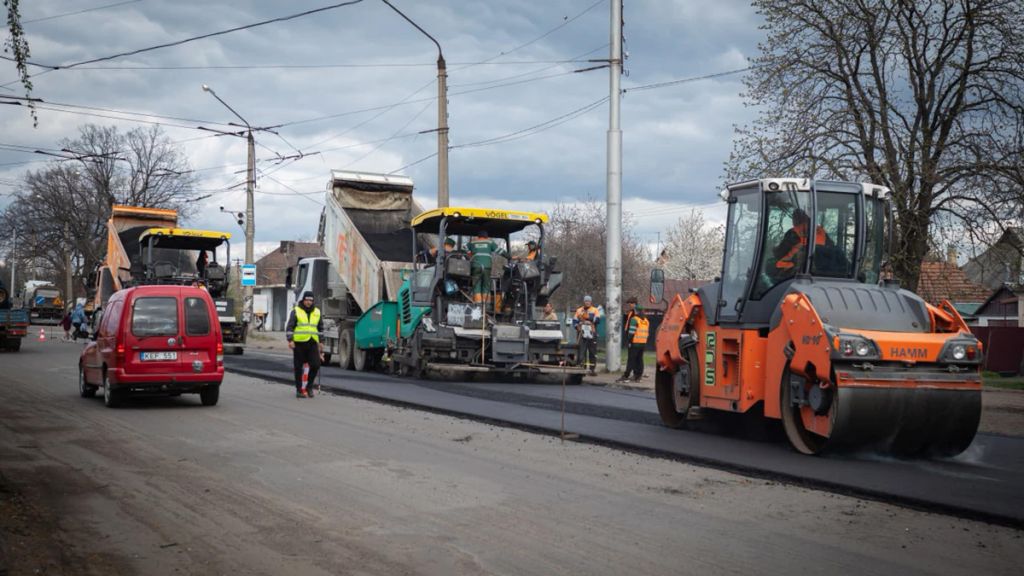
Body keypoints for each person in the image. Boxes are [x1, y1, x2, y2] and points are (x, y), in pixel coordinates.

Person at [286, 291, 324, 398]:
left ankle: (309, 387)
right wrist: (290, 340)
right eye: (307, 300)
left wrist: (321, 341)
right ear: (303, 300)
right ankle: (299, 390)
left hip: (312, 342)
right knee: (298, 368)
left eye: (311, 300)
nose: (309, 302)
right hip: (299, 343)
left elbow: (320, 328)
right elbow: (290, 327)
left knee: (316, 364)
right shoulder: (296, 311)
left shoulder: (317, 312)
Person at [773, 208, 831, 273]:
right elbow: (831, 247)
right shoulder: (821, 231)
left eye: (793, 219)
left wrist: (774, 250)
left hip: (800, 267)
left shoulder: (793, 232)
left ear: (795, 220)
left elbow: (781, 252)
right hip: (822, 268)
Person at [618, 303, 650, 383]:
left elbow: (631, 332)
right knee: (639, 359)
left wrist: (629, 340)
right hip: (643, 343)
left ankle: (626, 375)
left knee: (631, 360)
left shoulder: (634, 319)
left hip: (635, 342)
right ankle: (638, 376)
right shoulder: (646, 320)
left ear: (636, 311)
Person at [468, 230, 501, 304]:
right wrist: (509, 257)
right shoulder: (490, 242)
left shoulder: (473, 242)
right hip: (487, 267)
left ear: (478, 237)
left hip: (476, 266)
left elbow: (464, 248)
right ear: (487, 237)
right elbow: (500, 251)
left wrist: (469, 254)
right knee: (486, 286)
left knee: (476, 286)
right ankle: (487, 307)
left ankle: (478, 306)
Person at [573, 295, 601, 375]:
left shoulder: (595, 310)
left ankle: (592, 369)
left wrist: (588, 319)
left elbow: (598, 320)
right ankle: (582, 368)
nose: (587, 302)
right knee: (582, 351)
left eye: (588, 301)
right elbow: (574, 321)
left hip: (592, 333)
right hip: (581, 333)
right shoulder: (579, 310)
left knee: (592, 352)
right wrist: (577, 326)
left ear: (591, 302)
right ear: (584, 302)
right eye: (586, 301)